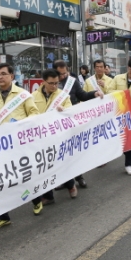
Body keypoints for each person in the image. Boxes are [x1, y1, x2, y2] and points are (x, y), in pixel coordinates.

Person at [0, 63, 40, 230]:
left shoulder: (23, 95)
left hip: (18, 144)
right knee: (1, 180)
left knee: (23, 175)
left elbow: (34, 114)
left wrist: (20, 127)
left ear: (11, 76)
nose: (0, 77)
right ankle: (3, 216)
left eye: (3, 74)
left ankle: (36, 199)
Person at [54, 60, 103, 189]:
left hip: (72, 121)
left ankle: (79, 177)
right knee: (61, 153)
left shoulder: (72, 81)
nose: (63, 76)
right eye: (60, 74)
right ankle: (64, 180)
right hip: (56, 124)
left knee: (74, 151)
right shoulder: (50, 84)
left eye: (65, 73)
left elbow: (82, 95)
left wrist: (94, 93)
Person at [32, 69, 77, 201]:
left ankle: (70, 185)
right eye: (51, 83)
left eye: (56, 83)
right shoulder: (33, 96)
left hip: (58, 136)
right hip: (40, 136)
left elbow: (71, 112)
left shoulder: (63, 95)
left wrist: (64, 111)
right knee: (44, 167)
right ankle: (48, 196)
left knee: (61, 163)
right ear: (43, 82)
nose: (54, 86)